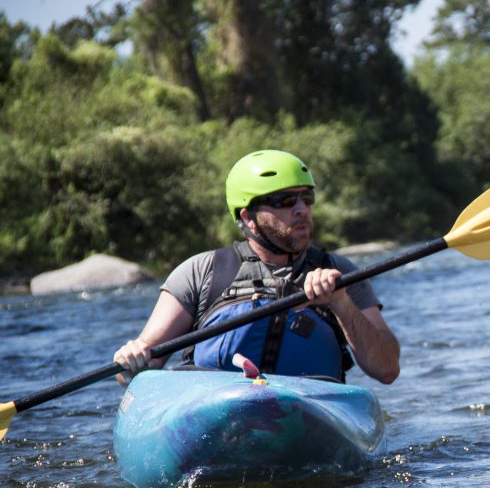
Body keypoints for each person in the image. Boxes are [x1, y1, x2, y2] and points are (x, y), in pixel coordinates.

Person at [114, 149, 400, 384]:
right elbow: (141, 367)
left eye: (306, 198)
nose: (301, 209)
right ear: (248, 216)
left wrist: (340, 302)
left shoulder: (341, 273)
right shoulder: (202, 272)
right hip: (216, 413)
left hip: (309, 414)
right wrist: (132, 360)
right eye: (285, 201)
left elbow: (387, 370)